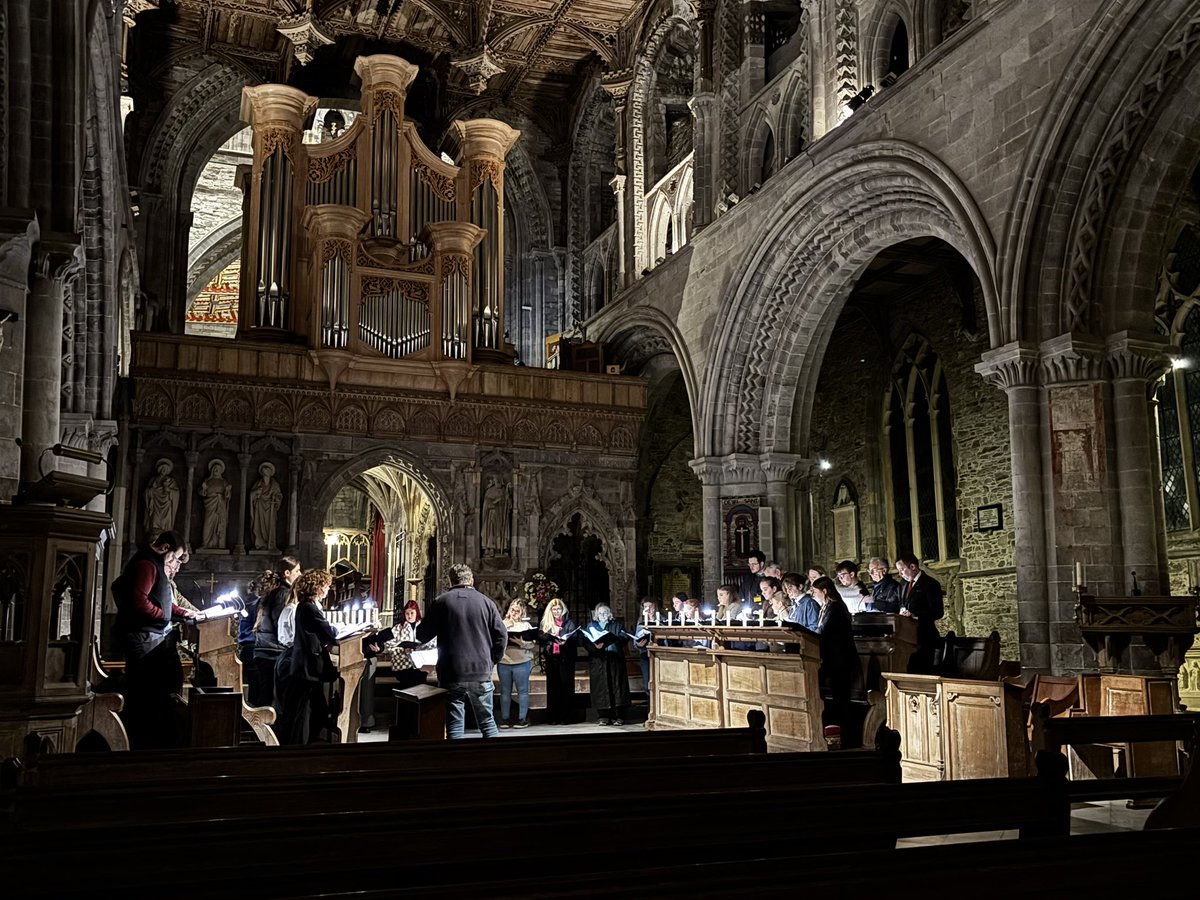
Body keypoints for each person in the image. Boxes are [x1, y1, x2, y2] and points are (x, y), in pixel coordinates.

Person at [111, 530, 197, 749]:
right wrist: (163, 615)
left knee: (161, 687)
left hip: (151, 637)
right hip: (144, 639)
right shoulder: (146, 565)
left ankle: (158, 740)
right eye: (175, 557)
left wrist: (184, 613)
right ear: (165, 548)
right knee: (146, 691)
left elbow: (161, 601)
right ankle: (146, 743)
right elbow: (139, 601)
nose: (175, 563)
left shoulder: (153, 564)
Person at [415, 564, 507, 739]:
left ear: (450, 581)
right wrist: (493, 659)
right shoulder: (486, 602)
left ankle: (455, 755)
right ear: (471, 580)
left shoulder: (441, 602)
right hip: (480, 669)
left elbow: (422, 635)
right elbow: (502, 635)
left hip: (452, 670)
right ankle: (495, 754)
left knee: (454, 723)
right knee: (487, 721)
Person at [276, 568, 338, 745]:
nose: (328, 589)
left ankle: (305, 744)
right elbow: (328, 632)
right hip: (306, 668)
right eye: (326, 585)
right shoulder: (309, 608)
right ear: (317, 587)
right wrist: (336, 629)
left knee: (315, 710)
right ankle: (297, 748)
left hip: (306, 667)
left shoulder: (306, 606)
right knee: (301, 713)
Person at [810, 575, 864, 747]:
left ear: (825, 591)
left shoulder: (836, 608)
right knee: (835, 698)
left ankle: (848, 740)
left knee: (841, 699)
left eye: (815, 592)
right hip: (831, 660)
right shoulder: (827, 607)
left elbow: (827, 633)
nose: (813, 595)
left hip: (840, 661)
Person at [251, 555, 299, 709]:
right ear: (287, 573)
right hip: (272, 651)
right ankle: (264, 724)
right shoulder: (283, 593)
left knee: (266, 696)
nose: (300, 574)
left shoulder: (276, 591)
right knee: (269, 698)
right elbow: (281, 624)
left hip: (265, 649)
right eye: (297, 571)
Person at [580, 603, 631, 725]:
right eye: (600, 613)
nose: (603, 615)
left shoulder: (616, 625)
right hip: (599, 661)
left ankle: (618, 716)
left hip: (614, 660)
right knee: (601, 688)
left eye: (605, 613)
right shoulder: (592, 626)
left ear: (610, 614)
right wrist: (595, 646)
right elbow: (585, 641)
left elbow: (624, 637)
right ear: (596, 615)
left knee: (616, 687)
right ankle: (603, 716)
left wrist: (615, 639)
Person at [896, 553, 946, 674]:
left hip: (924, 637)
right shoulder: (902, 585)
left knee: (923, 671)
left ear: (913, 567)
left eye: (902, 570)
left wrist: (914, 614)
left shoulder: (930, 584)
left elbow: (938, 612)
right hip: (905, 638)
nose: (900, 574)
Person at [537, 597, 578, 725]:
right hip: (552, 657)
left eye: (559, 609)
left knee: (566, 687)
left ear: (563, 610)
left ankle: (566, 717)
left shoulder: (569, 622)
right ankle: (553, 716)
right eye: (554, 609)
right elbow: (541, 637)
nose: (556, 612)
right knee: (553, 687)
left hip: (565, 658)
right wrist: (550, 636)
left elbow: (575, 637)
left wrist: (565, 642)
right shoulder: (546, 622)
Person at [497, 599, 536, 728]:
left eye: (517, 611)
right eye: (512, 610)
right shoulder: (502, 624)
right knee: (505, 691)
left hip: (522, 661)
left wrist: (521, 643)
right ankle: (505, 719)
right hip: (505, 661)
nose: (514, 613)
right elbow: (496, 640)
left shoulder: (526, 626)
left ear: (522, 612)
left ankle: (522, 719)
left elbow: (532, 644)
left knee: (522, 691)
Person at [385, 600, 436, 689]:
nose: (409, 616)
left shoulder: (424, 627)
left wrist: (421, 649)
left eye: (412, 613)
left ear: (417, 613)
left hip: (421, 665)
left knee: (420, 686)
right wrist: (402, 651)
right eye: (407, 613)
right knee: (406, 685)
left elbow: (433, 642)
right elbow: (389, 645)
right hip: (403, 665)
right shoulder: (398, 628)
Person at [635, 598, 658, 693]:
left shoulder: (662, 619)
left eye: (650, 606)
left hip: (659, 653)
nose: (648, 609)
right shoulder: (641, 621)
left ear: (655, 607)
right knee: (647, 682)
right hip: (645, 653)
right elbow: (636, 639)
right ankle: (649, 700)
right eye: (645, 607)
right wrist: (638, 644)